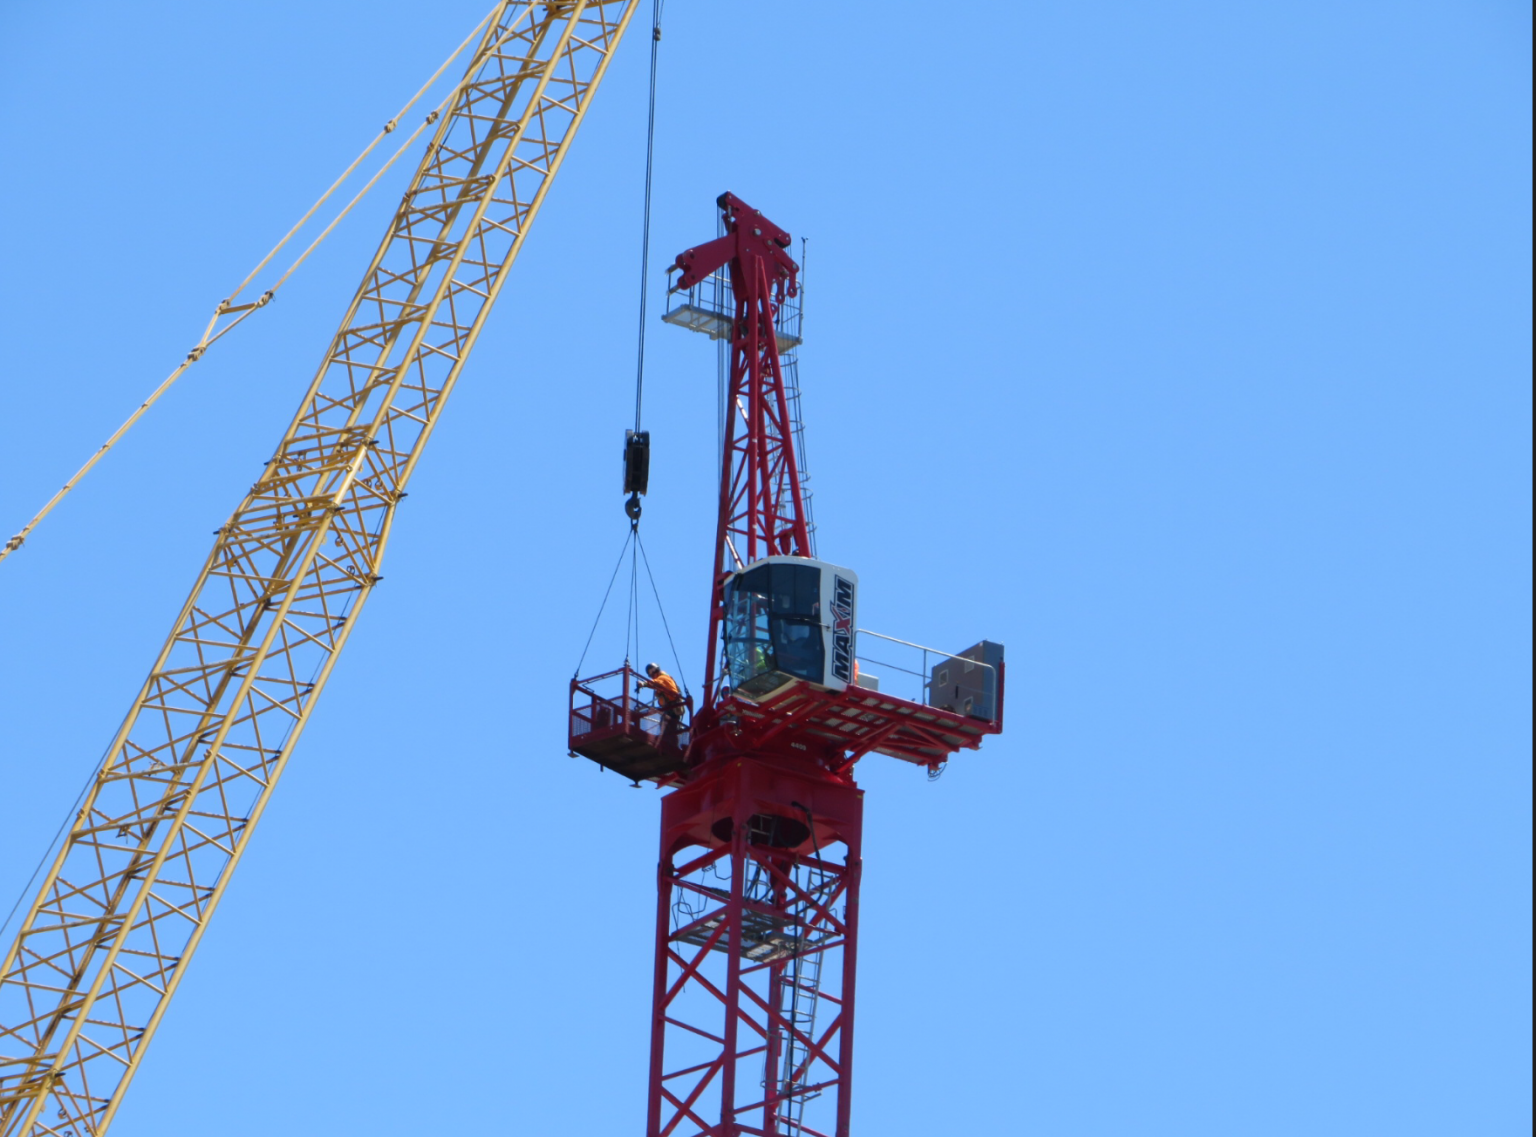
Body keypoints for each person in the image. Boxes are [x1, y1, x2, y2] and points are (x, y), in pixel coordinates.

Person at [637, 663, 685, 748]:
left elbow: (655, 683)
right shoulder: (663, 678)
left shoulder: (663, 678)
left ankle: (670, 745)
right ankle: (669, 744)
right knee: (668, 727)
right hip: (670, 707)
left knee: (668, 726)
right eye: (650, 673)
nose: (652, 673)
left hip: (673, 707)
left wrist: (643, 684)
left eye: (652, 670)